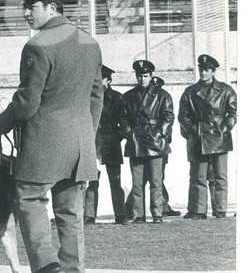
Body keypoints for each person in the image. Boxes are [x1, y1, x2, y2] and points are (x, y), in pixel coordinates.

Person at [0, 0, 103, 273]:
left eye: (31, 6)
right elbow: (97, 97)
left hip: (43, 145)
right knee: (70, 213)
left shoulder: (37, 46)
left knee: (29, 200)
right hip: (80, 145)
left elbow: (27, 102)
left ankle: (46, 268)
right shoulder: (90, 42)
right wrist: (86, 135)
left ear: (52, 6)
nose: (26, 13)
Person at [178, 54, 237, 219]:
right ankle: (200, 210)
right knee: (199, 176)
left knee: (220, 176)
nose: (203, 73)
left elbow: (232, 113)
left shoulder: (225, 90)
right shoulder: (190, 92)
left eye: (207, 70)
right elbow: (183, 116)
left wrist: (224, 129)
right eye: (201, 69)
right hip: (199, 138)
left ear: (213, 71)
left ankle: (220, 210)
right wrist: (194, 131)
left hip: (219, 138)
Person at [121, 60, 174, 224]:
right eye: (139, 76)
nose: (142, 79)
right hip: (136, 141)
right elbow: (123, 118)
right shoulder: (128, 96)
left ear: (151, 76)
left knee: (156, 181)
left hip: (155, 142)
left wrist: (160, 133)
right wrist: (128, 132)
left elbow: (168, 117)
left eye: (145, 76)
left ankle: (157, 213)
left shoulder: (162, 95)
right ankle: (138, 214)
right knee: (137, 182)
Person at [84, 66, 127, 224]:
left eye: (101, 78)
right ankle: (89, 215)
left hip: (112, 143)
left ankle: (120, 214)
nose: (98, 81)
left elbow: (123, 121)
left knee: (115, 181)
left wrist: (118, 136)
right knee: (92, 181)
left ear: (108, 80)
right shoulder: (87, 97)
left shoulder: (117, 98)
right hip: (94, 142)